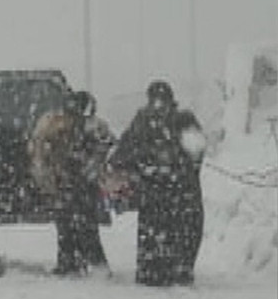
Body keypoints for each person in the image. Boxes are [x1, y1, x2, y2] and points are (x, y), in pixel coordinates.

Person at [107, 79, 206, 286]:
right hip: (178, 191)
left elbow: (123, 152)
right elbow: (197, 149)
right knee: (184, 232)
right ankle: (177, 269)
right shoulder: (179, 119)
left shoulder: (144, 121)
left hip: (157, 190)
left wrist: (135, 168)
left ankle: (154, 270)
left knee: (156, 232)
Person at [29, 90, 114, 276]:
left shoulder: (55, 124)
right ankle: (91, 263)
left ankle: (71, 263)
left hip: (66, 183)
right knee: (84, 225)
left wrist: (47, 177)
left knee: (67, 225)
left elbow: (39, 149)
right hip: (79, 183)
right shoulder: (93, 126)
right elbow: (108, 146)